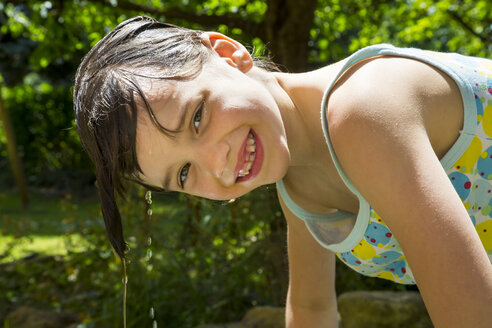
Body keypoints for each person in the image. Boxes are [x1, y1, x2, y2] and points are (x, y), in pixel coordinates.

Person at [74, 16, 492, 328]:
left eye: (198, 117)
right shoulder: (297, 190)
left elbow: (471, 312)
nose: (216, 164)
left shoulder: (362, 113)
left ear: (227, 52)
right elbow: (311, 309)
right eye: (183, 173)